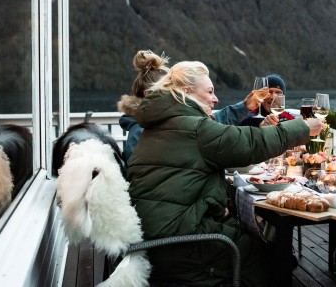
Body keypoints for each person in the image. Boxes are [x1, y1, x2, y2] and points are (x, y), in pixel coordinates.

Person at [126, 61, 322, 287]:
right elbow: (249, 143)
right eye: (209, 92)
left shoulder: (159, 125)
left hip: (154, 238)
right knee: (276, 259)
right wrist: (304, 128)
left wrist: (215, 204)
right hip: (181, 247)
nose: (215, 98)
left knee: (269, 250)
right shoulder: (194, 127)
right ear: (187, 92)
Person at [118, 50, 274, 162]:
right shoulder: (141, 132)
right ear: (149, 95)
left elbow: (214, 120)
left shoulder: (171, 121)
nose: (177, 96)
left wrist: (245, 106)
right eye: (171, 92)